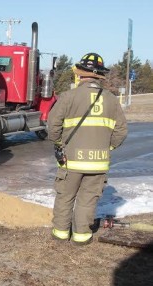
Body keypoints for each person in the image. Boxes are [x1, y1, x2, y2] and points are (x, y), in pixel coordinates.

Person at [47, 53, 128, 246]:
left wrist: (59, 144)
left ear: (80, 74)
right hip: (98, 162)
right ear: (99, 75)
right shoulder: (111, 99)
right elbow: (121, 131)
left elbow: (53, 126)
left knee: (65, 197)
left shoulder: (68, 96)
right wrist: (107, 147)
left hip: (71, 160)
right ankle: (81, 237)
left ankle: (60, 234)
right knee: (87, 199)